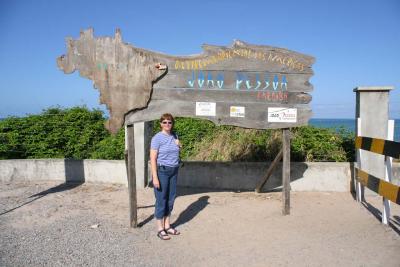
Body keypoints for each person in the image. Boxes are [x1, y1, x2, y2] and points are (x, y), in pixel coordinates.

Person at [150, 113, 182, 240]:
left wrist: (179, 144)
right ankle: (160, 228)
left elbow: (177, 150)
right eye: (164, 122)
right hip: (162, 171)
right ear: (160, 124)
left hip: (174, 170)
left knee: (171, 199)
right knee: (161, 199)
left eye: (169, 122)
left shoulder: (175, 135)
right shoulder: (157, 138)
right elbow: (153, 159)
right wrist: (155, 177)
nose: (167, 124)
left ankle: (167, 225)